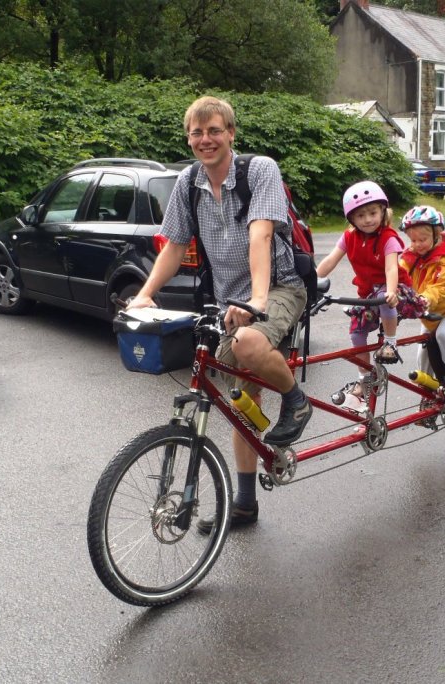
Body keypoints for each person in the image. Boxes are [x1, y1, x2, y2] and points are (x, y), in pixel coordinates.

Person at [126, 95, 310, 530]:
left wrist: (259, 301)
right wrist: (145, 294)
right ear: (189, 138)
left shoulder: (259, 170)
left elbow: (261, 235)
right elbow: (173, 246)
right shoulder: (188, 183)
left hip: (279, 287)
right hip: (228, 300)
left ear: (231, 133)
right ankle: (244, 504)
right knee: (235, 399)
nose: (205, 139)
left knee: (249, 343)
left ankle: (296, 401)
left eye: (214, 131)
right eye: (197, 132)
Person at [315, 181, 418, 410]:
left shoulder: (388, 237)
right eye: (360, 215)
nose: (368, 219)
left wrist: (391, 291)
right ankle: (366, 377)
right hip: (369, 294)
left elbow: (391, 268)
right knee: (356, 332)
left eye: (373, 212)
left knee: (383, 298)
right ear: (352, 219)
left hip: (396, 289)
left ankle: (390, 343)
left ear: (383, 211)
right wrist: (311, 280)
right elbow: (331, 259)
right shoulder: (349, 237)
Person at [399, 205, 445, 398]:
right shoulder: (411, 256)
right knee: (423, 348)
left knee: (443, 336)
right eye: (413, 240)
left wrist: (424, 299)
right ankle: (428, 390)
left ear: (436, 234)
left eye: (423, 239)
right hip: (429, 312)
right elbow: (398, 273)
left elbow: (441, 288)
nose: (417, 244)